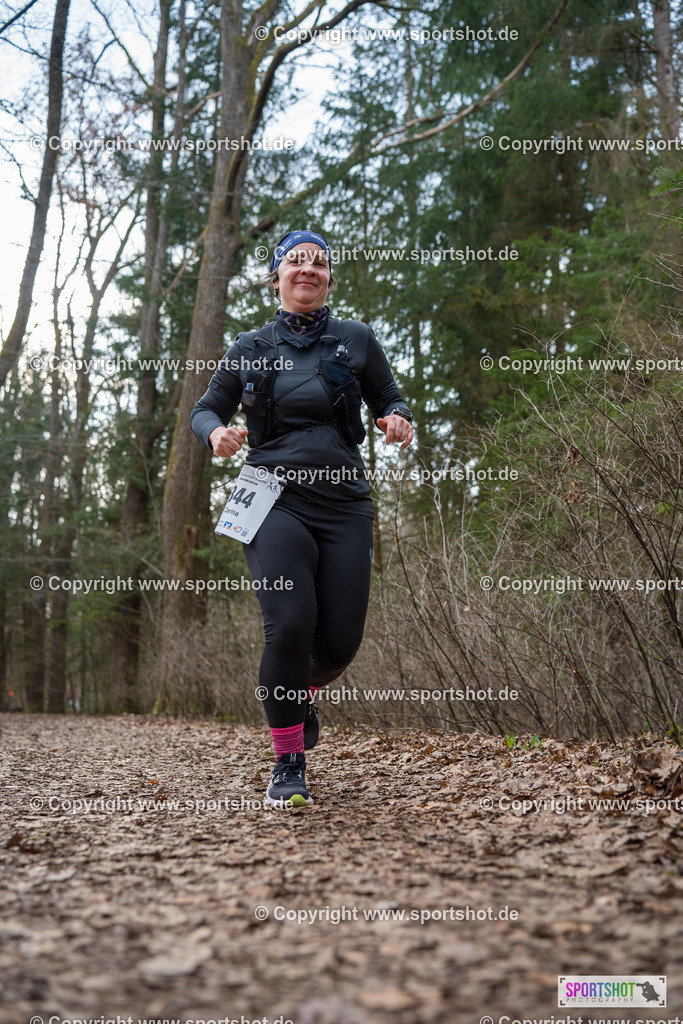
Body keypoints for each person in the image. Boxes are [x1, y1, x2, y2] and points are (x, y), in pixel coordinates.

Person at [190, 229, 413, 808]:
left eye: (319, 263)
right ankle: (288, 762)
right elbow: (207, 406)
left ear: (329, 278)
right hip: (270, 496)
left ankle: (297, 688)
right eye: (295, 261)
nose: (307, 269)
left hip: (344, 502)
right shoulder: (249, 346)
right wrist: (217, 433)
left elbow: (389, 396)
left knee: (338, 644)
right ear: (277, 277)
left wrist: (396, 418)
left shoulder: (357, 340)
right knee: (289, 624)